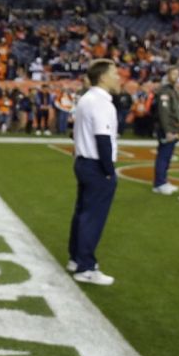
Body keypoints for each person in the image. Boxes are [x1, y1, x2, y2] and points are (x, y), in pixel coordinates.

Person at [67, 59, 122, 286]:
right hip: (96, 165)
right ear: (103, 77)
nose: (118, 77)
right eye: (114, 73)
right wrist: (109, 170)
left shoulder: (86, 99)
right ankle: (86, 267)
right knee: (93, 218)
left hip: (83, 161)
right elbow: (103, 138)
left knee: (82, 213)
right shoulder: (100, 102)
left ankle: (76, 257)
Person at [152, 67, 179, 195]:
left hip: (172, 128)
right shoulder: (165, 91)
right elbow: (164, 113)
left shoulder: (172, 90)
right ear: (168, 75)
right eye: (173, 73)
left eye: (178, 73)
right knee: (164, 155)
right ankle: (160, 183)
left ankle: (162, 181)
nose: (176, 76)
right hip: (168, 129)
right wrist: (168, 130)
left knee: (167, 155)